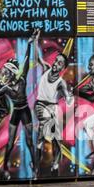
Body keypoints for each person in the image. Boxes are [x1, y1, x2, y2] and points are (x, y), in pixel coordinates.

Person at [0, 35, 37, 180]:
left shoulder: (22, 78)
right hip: (16, 112)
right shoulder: (5, 87)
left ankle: (35, 166)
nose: (5, 74)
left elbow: (26, 59)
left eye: (7, 72)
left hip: (24, 110)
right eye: (4, 72)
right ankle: (5, 167)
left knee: (30, 140)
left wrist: (30, 44)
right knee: (10, 141)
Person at [34, 31, 74, 174]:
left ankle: (55, 166)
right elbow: (37, 57)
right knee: (43, 126)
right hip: (41, 105)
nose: (56, 64)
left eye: (60, 63)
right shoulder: (46, 68)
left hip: (53, 108)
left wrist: (70, 97)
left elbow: (68, 97)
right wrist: (35, 40)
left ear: (63, 68)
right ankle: (36, 164)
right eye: (56, 61)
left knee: (57, 139)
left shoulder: (61, 82)